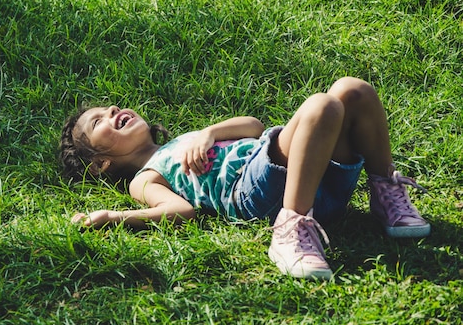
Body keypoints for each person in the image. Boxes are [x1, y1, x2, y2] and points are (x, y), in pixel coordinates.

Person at [60, 77, 430, 279]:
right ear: (99, 165)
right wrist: (113, 218)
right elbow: (180, 210)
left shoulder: (184, 141)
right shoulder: (145, 177)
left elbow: (254, 127)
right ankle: (291, 228)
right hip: (255, 193)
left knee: (354, 90)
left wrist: (209, 132)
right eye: (98, 122)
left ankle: (386, 195)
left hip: (317, 182)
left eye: (110, 108)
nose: (112, 111)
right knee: (323, 104)